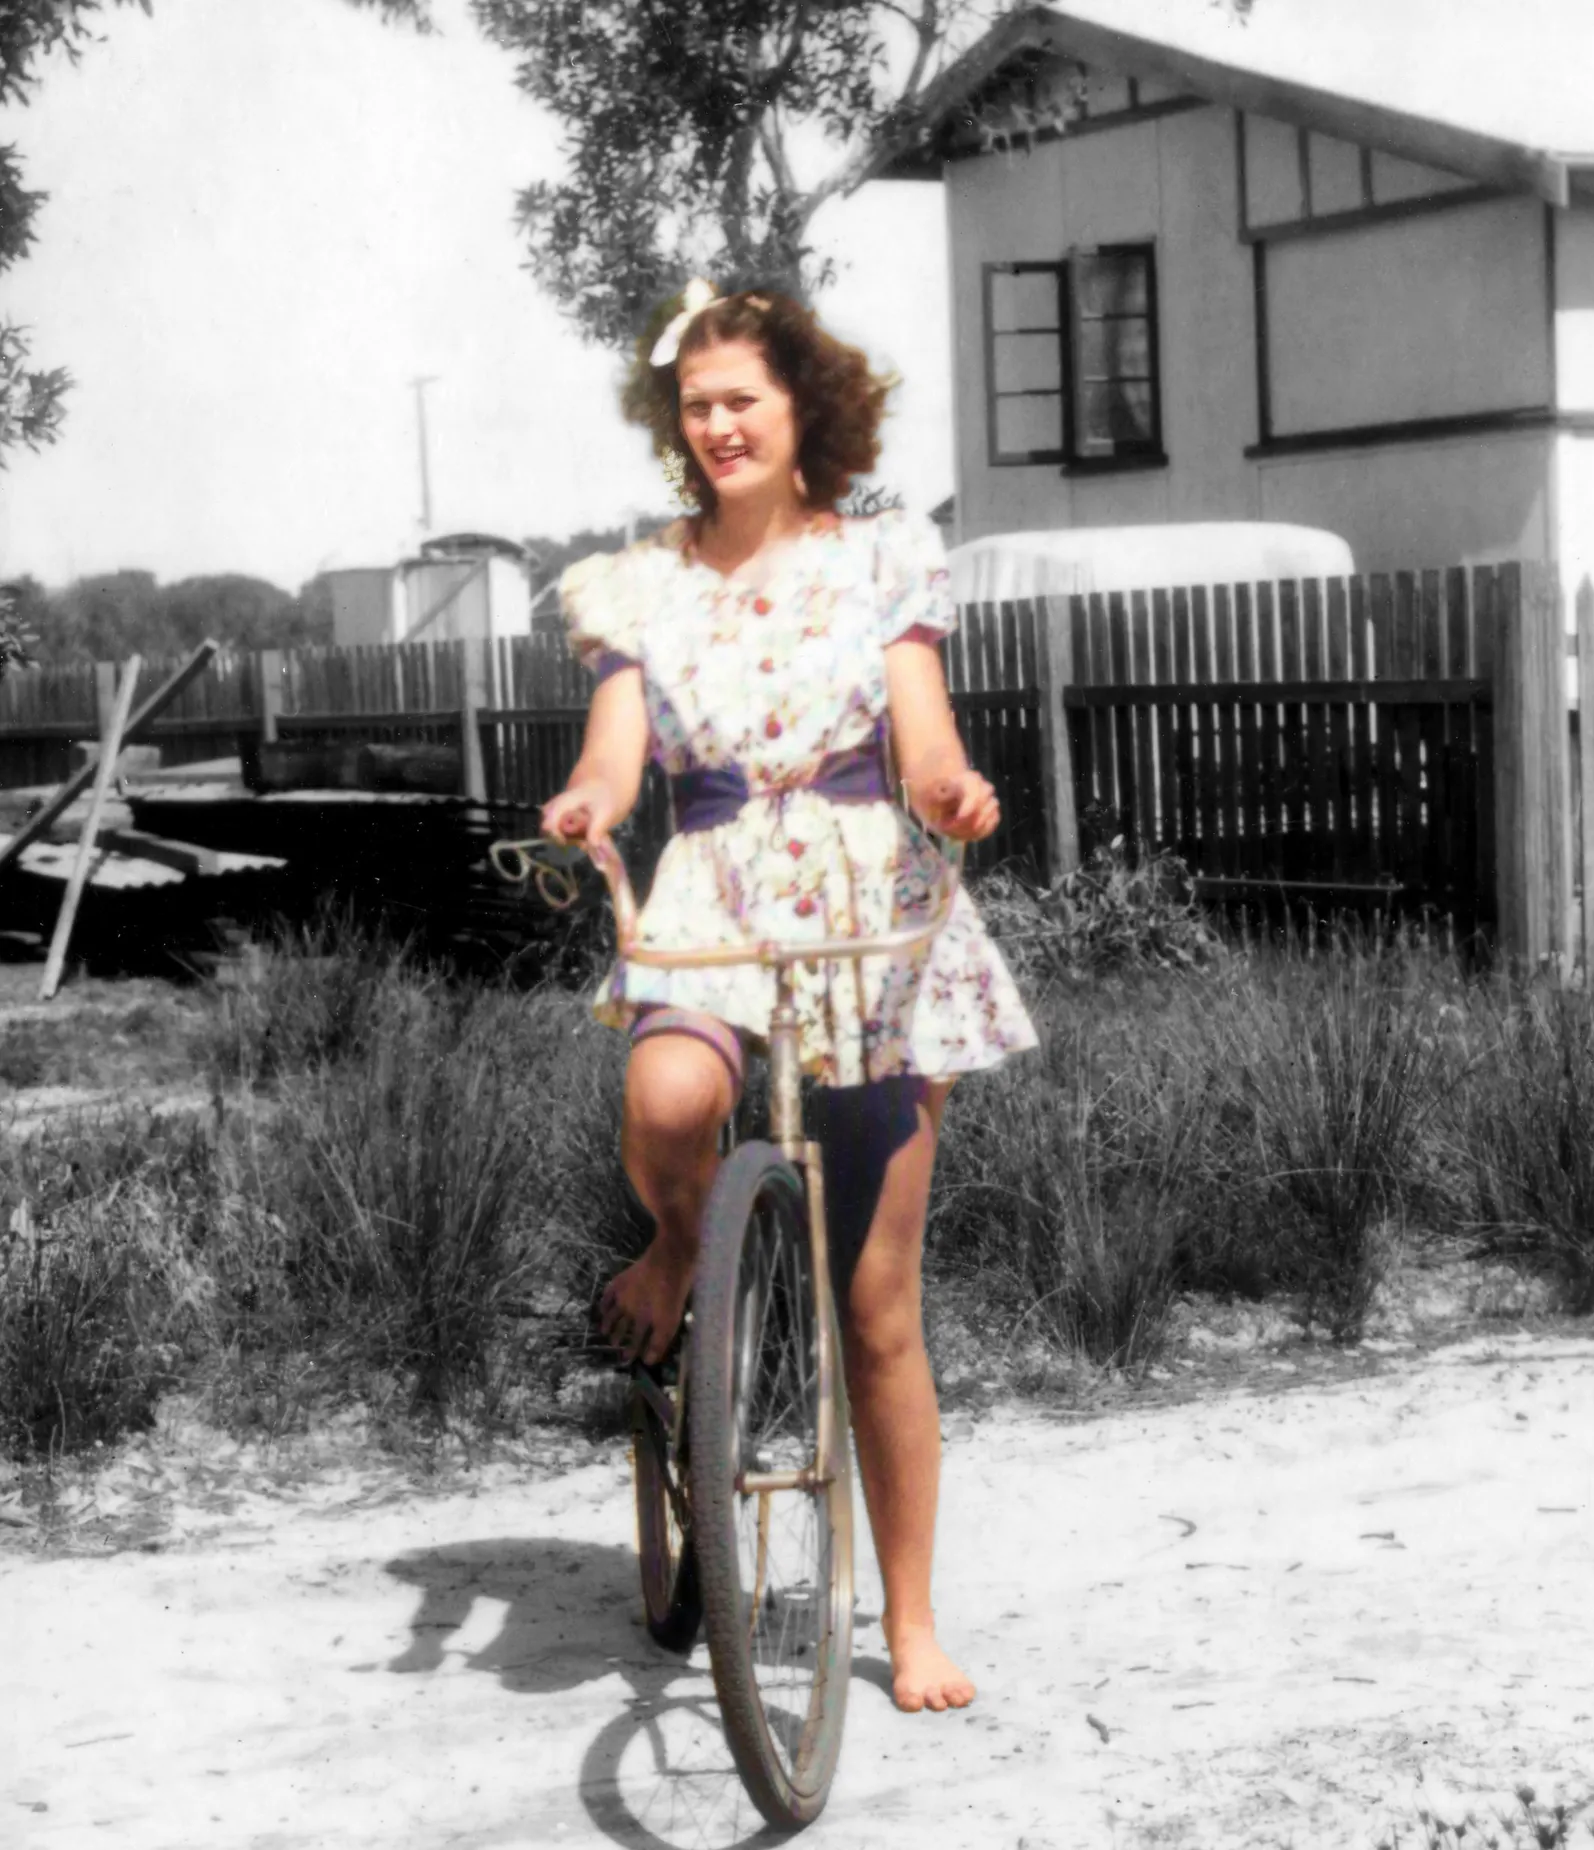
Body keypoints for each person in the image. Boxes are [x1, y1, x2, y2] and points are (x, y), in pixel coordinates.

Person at [539, 281, 1039, 1715]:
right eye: (696, 406)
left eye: (742, 398)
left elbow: (923, 730)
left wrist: (951, 792)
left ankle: (917, 1617)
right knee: (669, 1092)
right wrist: (587, 800)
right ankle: (684, 1235)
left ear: (802, 405)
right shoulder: (638, 584)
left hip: (867, 900)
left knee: (878, 1300)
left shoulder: (882, 558)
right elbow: (619, 754)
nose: (718, 426)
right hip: (709, 887)